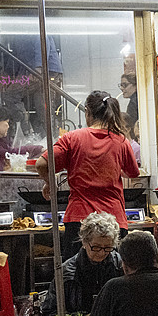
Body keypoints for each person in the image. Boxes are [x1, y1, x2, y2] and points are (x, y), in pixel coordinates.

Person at [36, 90, 140, 261]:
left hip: (80, 219)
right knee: (113, 271)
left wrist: (50, 183)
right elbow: (133, 173)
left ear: (87, 111)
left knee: (76, 271)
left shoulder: (72, 138)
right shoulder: (121, 141)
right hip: (113, 220)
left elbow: (41, 164)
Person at [42, 212, 123, 316]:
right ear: (84, 242)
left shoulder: (120, 265)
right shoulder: (67, 272)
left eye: (107, 248)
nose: (101, 253)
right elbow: (50, 313)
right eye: (96, 247)